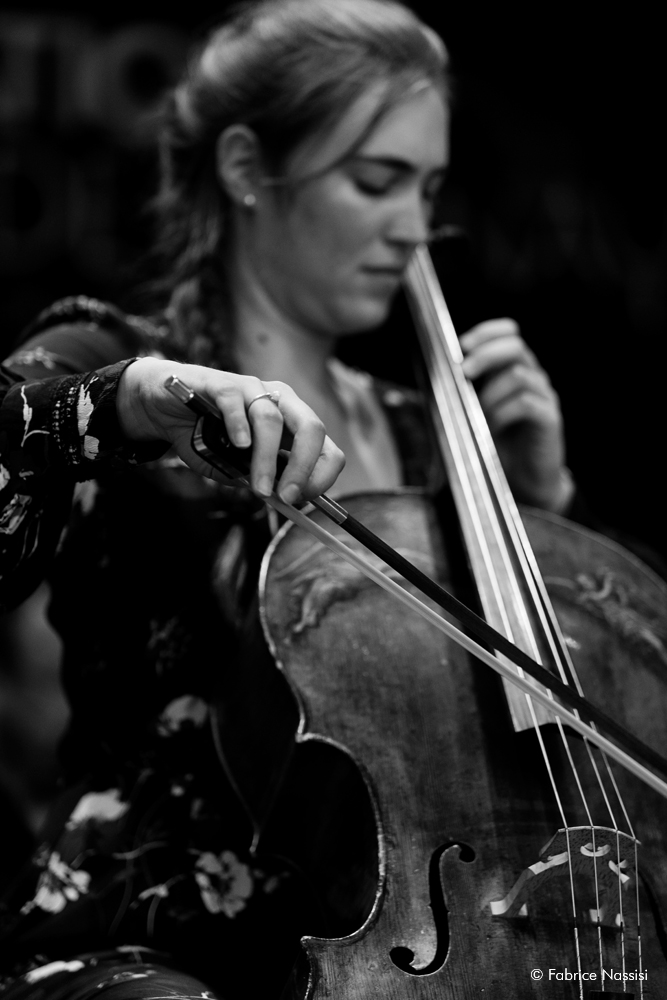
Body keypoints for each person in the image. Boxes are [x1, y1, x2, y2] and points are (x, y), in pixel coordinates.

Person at [0, 0, 574, 995]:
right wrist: (124, 403)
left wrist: (538, 510)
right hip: (147, 948)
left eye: (428, 189)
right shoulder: (113, 364)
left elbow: (528, 755)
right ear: (245, 168)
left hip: (402, 956)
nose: (414, 231)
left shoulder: (431, 435)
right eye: (375, 182)